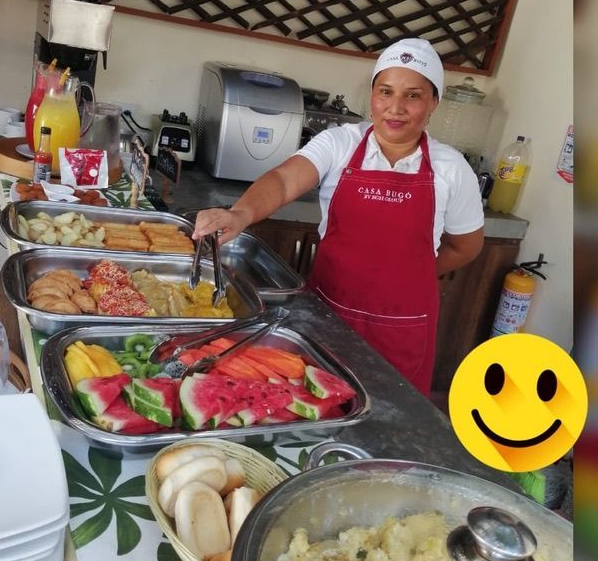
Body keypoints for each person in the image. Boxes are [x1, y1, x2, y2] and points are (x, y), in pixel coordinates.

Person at [193, 38, 485, 396]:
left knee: (392, 414)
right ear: (372, 95)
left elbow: (467, 246)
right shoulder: (340, 143)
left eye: (413, 96)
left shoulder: (451, 168)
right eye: (385, 92)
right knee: (316, 403)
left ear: (433, 103)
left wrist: (410, 275)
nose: (395, 108)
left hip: (404, 330)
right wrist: (241, 213)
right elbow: (284, 180)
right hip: (330, 317)